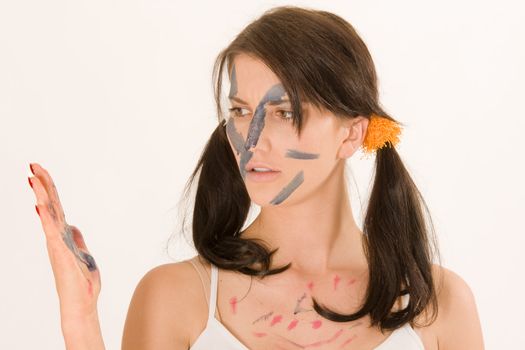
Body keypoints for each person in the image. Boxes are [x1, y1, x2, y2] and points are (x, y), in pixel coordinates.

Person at [28, 5, 484, 350]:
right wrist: (80, 316)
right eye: (241, 112)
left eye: (286, 112)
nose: (253, 138)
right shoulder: (178, 296)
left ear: (352, 135)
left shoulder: (436, 303)